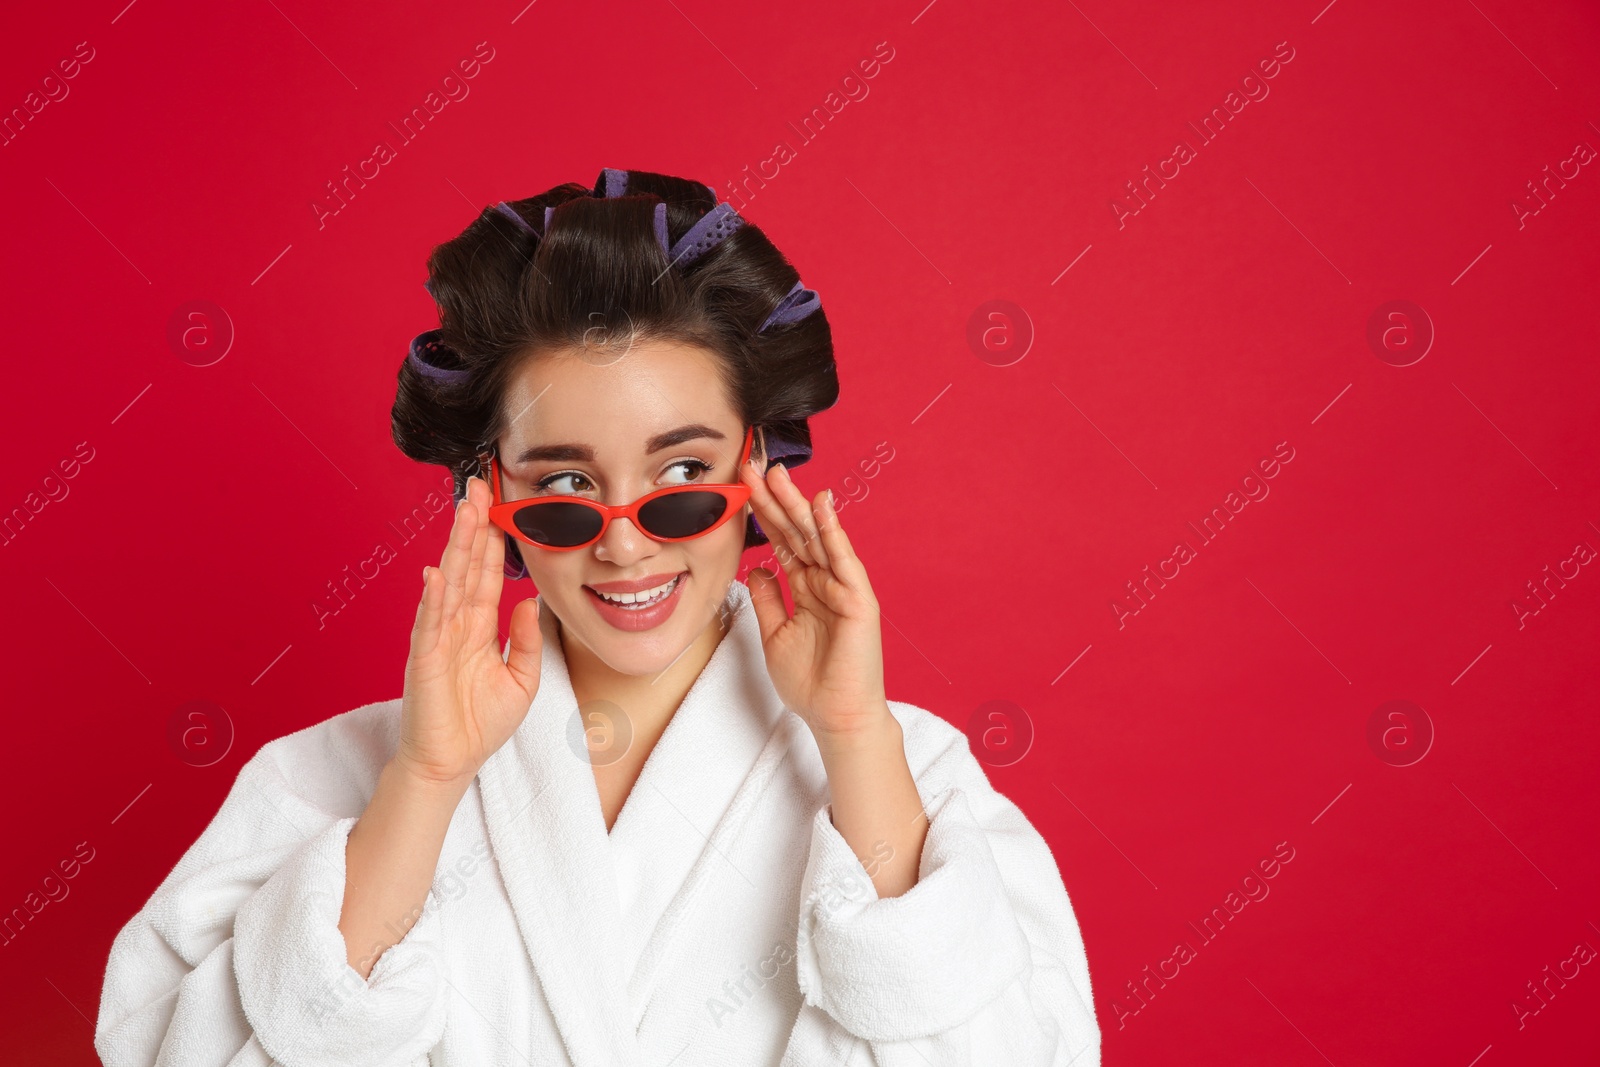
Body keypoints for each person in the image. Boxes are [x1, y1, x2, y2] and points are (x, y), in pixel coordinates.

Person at [92, 167, 1101, 1067]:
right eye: (568, 485)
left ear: (756, 466)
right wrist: (426, 782)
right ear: (490, 491)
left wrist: (851, 738)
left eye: (682, 476)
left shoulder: (912, 778)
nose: (625, 543)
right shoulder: (328, 782)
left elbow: (1014, 1045)